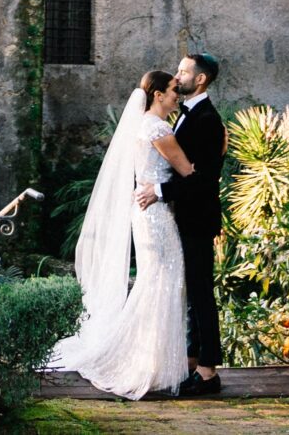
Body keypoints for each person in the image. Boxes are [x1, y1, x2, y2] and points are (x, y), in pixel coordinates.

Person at [44, 69, 194, 399]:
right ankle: (146, 366)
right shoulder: (156, 127)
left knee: (157, 282)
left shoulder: (145, 125)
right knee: (163, 281)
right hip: (155, 215)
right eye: (172, 91)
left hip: (148, 212)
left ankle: (153, 365)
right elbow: (187, 170)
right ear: (157, 95)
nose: (176, 96)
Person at [155, 52, 226, 397]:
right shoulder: (188, 115)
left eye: (183, 71)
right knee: (193, 294)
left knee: (201, 293)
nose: (177, 75)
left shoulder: (208, 120)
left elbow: (204, 179)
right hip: (184, 216)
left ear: (200, 79)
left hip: (197, 218)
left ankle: (209, 372)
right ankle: (196, 364)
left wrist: (159, 191)